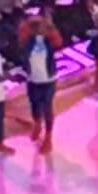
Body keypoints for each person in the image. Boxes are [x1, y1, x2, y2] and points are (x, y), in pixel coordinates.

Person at [18, 10, 62, 154]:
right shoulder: (27, 40)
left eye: (40, 25)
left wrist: (50, 26)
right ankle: (37, 123)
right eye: (35, 25)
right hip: (33, 79)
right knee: (35, 104)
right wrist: (30, 22)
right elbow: (21, 33)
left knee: (47, 106)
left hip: (48, 79)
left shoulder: (49, 40)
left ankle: (48, 136)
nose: (38, 28)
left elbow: (59, 41)